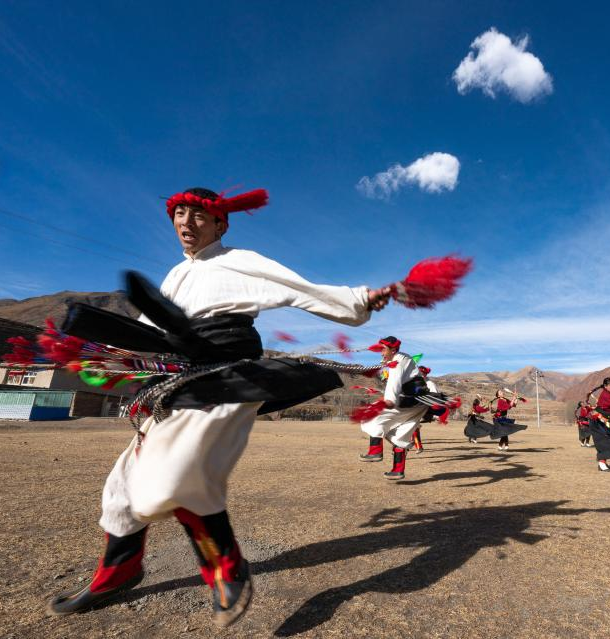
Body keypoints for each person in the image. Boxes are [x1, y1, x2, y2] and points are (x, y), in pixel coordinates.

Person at [47, 186, 394, 627]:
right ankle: (119, 571)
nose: (186, 223)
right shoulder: (175, 275)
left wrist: (359, 299)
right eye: (179, 215)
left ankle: (226, 570)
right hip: (178, 381)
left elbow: (297, 287)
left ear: (220, 224)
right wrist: (103, 352)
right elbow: (150, 329)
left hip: (225, 377)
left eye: (197, 216)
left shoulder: (240, 261)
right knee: (122, 487)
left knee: (173, 476)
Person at [358, 336, 429, 478]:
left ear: (393, 350)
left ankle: (375, 451)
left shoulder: (397, 363)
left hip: (408, 402)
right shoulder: (404, 358)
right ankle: (397, 470)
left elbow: (394, 384)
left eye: (384, 350)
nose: (381, 353)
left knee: (370, 414)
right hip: (419, 404)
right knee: (400, 434)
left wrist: (389, 400)